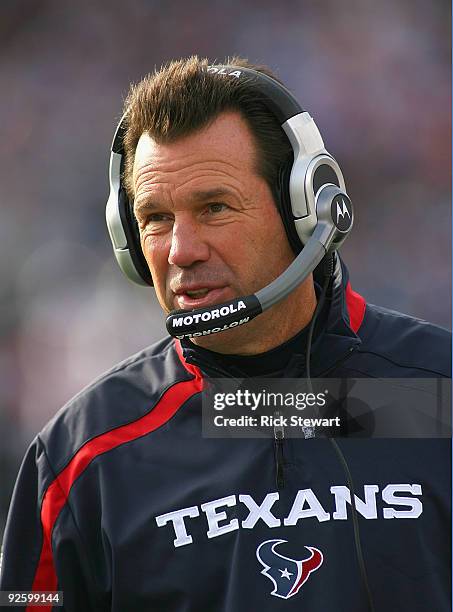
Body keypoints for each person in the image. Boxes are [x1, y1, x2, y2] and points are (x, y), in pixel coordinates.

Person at [0, 56, 450, 612]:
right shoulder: (82, 455)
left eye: (214, 208)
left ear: (304, 209)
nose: (181, 250)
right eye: (155, 219)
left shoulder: (440, 391)